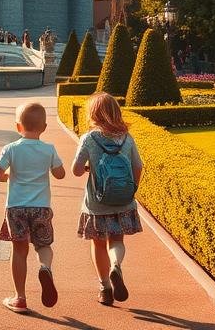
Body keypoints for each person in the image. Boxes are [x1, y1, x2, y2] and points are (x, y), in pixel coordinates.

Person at [72, 92, 144, 307]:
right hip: (122, 200)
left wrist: (88, 167)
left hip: (96, 203)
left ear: (93, 113)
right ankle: (116, 265)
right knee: (117, 240)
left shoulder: (89, 138)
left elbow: (76, 170)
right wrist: (132, 189)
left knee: (98, 243)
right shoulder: (126, 137)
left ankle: (105, 288)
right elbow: (138, 166)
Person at [0, 102, 65, 314]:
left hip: (16, 208)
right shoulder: (48, 149)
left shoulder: (11, 149)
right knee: (43, 246)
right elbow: (60, 174)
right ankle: (45, 268)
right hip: (41, 207)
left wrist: (8, 176)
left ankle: (20, 298)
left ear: (18, 127)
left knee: (19, 251)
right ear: (44, 127)